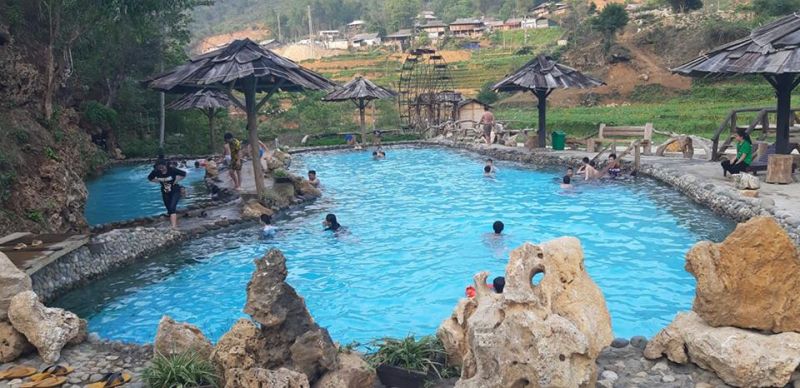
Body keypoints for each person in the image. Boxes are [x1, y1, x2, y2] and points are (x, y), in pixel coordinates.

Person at [148, 160, 186, 228]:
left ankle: (174, 227)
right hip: (165, 191)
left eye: (162, 167)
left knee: (172, 208)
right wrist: (158, 181)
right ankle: (175, 219)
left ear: (166, 165)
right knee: (169, 209)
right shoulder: (156, 172)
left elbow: (184, 174)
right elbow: (150, 178)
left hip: (175, 190)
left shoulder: (172, 170)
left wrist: (176, 180)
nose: (161, 169)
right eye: (159, 168)